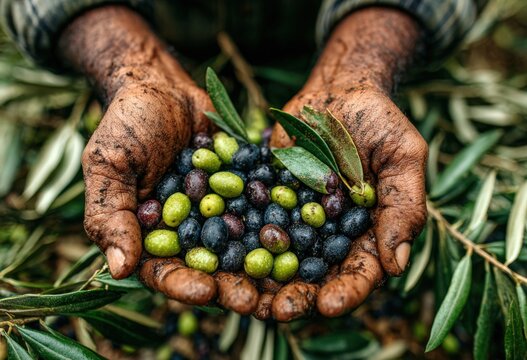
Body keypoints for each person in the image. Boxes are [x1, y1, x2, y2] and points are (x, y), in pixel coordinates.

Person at [0, 0, 482, 321]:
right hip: (153, 31)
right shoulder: (218, 204)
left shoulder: (275, 205)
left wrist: (361, 66)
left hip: (335, 38)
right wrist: (130, 63)